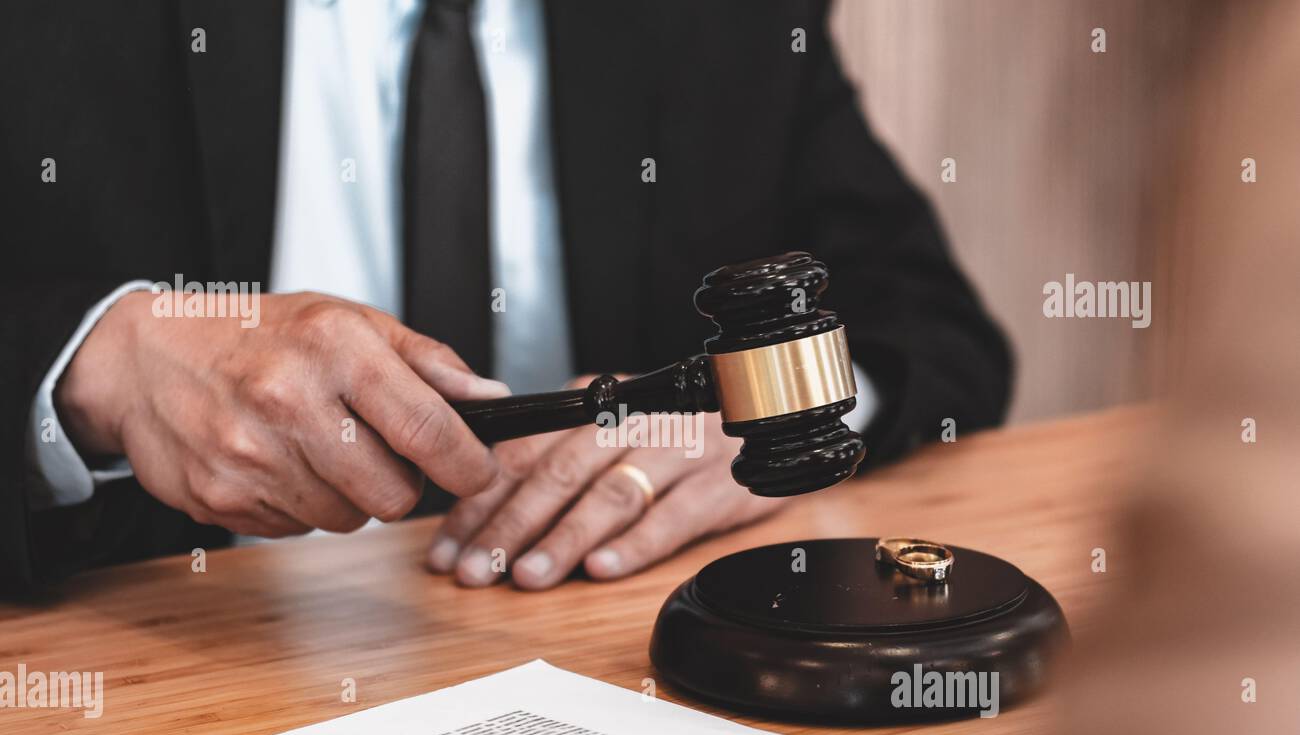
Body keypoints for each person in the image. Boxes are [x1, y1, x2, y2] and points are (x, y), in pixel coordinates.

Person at [0, 0, 1010, 596]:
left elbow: (924, 321)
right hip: (159, 656)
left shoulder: (729, 22)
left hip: (595, 644)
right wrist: (98, 361)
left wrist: (769, 413)